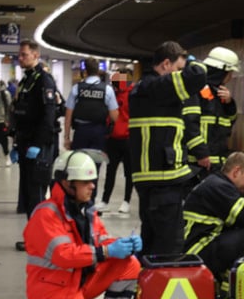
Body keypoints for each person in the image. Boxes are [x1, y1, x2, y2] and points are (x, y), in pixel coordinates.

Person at [23, 150, 142, 299]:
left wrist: (124, 245)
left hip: (75, 284)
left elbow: (102, 241)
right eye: (85, 182)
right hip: (54, 296)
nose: (92, 186)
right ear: (67, 183)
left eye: (92, 182)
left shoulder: (85, 211)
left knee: (130, 264)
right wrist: (106, 252)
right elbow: (63, 255)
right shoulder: (46, 214)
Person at [129, 41, 208, 255]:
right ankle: (164, 286)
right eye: (178, 70)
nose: (180, 75)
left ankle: (148, 285)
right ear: (166, 64)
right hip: (162, 180)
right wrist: (193, 62)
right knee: (170, 247)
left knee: (152, 242)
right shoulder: (156, 87)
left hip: (153, 179)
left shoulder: (146, 89)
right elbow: (198, 75)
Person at [183, 151, 244, 284]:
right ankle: (237, 288)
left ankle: (227, 285)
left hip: (199, 248)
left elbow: (235, 226)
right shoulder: (219, 186)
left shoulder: (217, 184)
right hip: (197, 250)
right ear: (236, 171)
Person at [11, 40, 59, 251]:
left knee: (38, 194)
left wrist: (39, 144)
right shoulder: (26, 81)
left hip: (38, 146)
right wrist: (15, 142)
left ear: (35, 55)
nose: (21, 58)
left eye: (24, 55)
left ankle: (41, 239)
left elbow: (48, 116)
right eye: (20, 55)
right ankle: (34, 235)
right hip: (25, 142)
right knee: (30, 194)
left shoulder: (43, 80)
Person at [187, 46, 239, 179]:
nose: (231, 77)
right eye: (230, 73)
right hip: (197, 164)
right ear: (221, 71)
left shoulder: (218, 93)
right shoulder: (197, 90)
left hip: (216, 163)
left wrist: (229, 103)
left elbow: (229, 121)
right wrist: (201, 153)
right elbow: (190, 124)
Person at [63, 57, 118, 153]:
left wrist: (66, 138)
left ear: (85, 71)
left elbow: (68, 116)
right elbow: (114, 117)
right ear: (98, 70)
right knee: (95, 164)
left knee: (79, 163)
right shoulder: (107, 89)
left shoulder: (76, 88)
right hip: (99, 132)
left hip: (80, 132)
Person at [98, 69, 134, 214]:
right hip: (112, 139)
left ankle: (126, 201)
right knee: (110, 171)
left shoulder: (133, 94)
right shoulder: (113, 93)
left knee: (128, 173)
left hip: (128, 138)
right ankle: (105, 200)